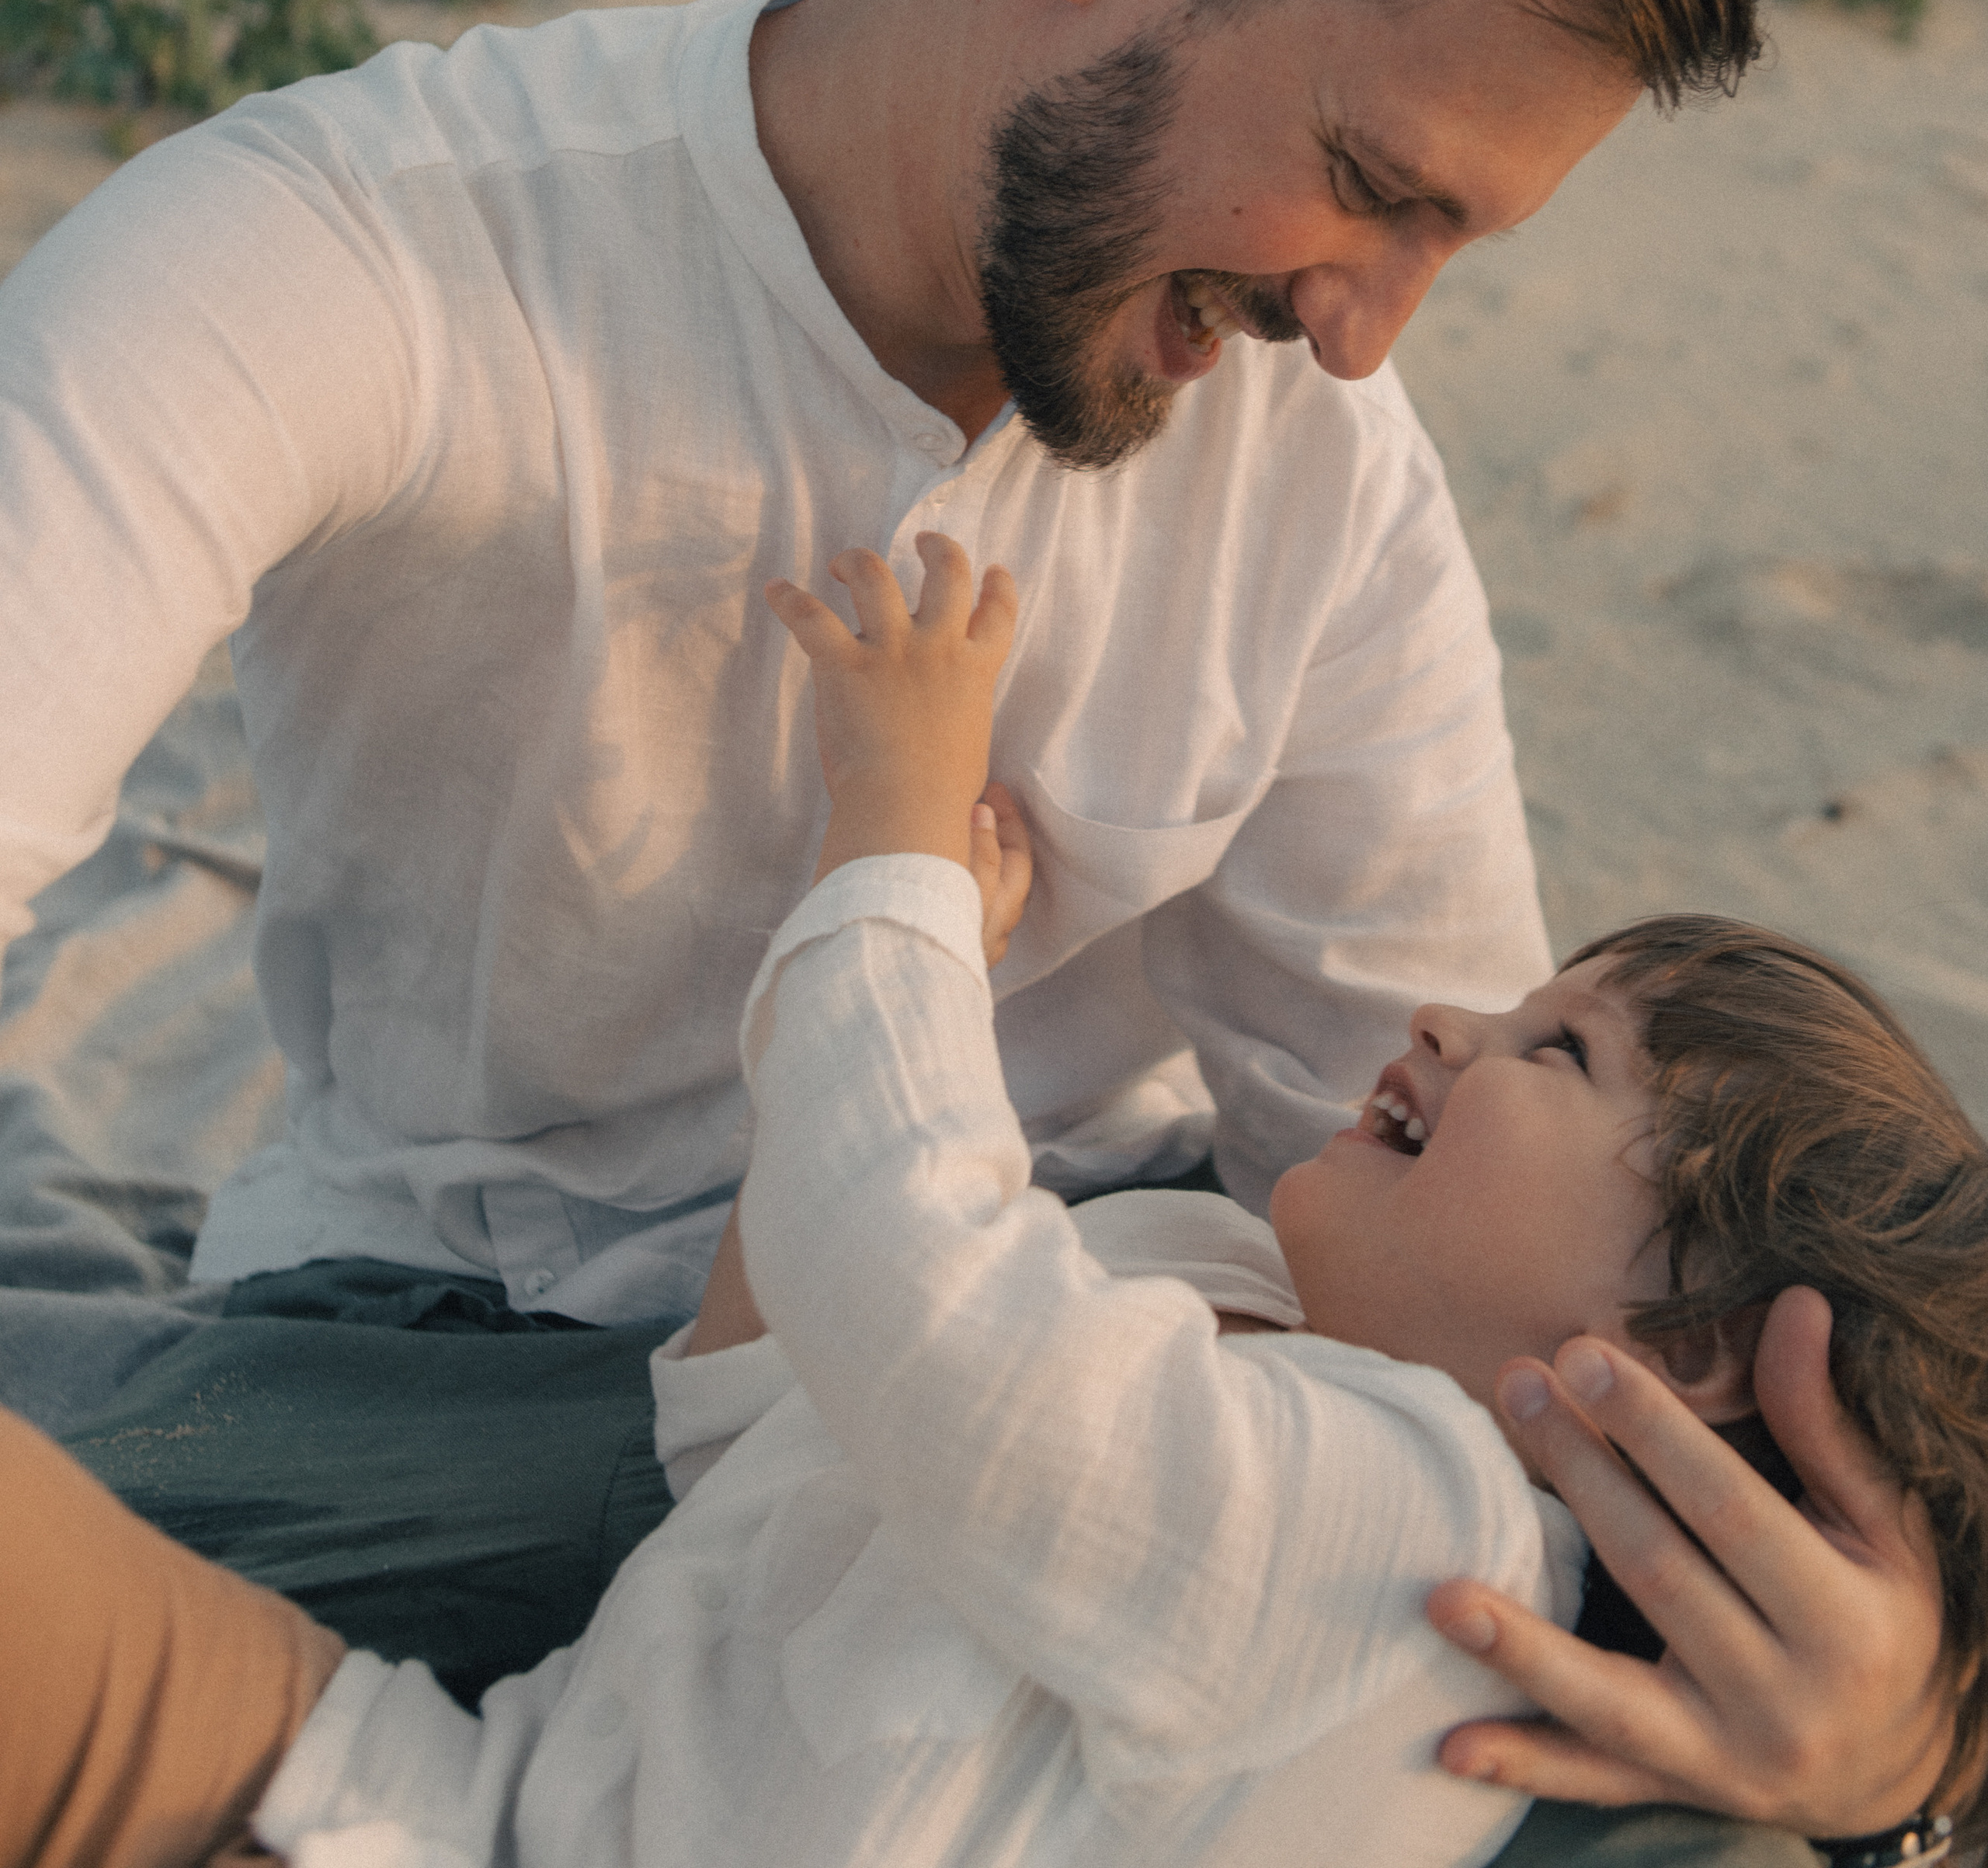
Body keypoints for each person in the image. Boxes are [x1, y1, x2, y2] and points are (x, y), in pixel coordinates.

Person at [0, 0, 1946, 1843]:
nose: (1365, 335)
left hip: (1115, 1404)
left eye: (1453, 245)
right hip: (460, 1382)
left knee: (1685, 1779)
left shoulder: (1326, 475)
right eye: (1375, 186)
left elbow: (1461, 1219)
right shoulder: (354, 258)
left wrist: (1906, 1739)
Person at [2, 536, 1977, 1868]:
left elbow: (932, 1305)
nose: (1454, 1019)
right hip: (440, 1794)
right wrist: (872, 998)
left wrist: (894, 853)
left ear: (1682, 1346)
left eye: (1559, 1054)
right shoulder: (1204, 1267)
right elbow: (757, 1423)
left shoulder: (1419, 1531)